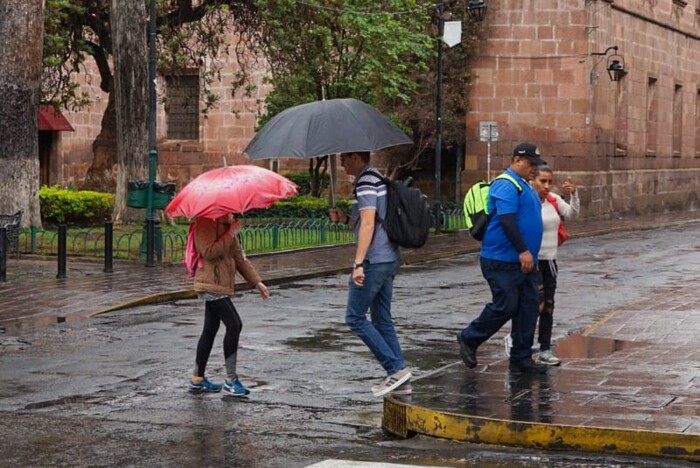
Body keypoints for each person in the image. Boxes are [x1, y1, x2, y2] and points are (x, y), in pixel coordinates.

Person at [457, 142, 548, 374]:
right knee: (506, 305)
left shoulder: (525, 186)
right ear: (517, 160)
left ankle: (521, 356)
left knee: (528, 308)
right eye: (530, 164)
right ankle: (469, 337)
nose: (534, 169)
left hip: (525, 262)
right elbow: (507, 220)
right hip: (501, 259)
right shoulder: (505, 184)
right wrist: (523, 250)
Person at [329, 151, 411, 397]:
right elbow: (371, 219)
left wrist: (358, 263)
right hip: (389, 257)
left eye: (344, 158)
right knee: (381, 318)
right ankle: (401, 378)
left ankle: (395, 367)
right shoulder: (377, 177)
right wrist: (345, 219)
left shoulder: (365, 182)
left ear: (356, 157)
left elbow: (368, 223)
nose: (341, 163)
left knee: (354, 318)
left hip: (374, 260)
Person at [188, 213, 270, 396]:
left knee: (210, 328)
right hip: (210, 283)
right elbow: (207, 251)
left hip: (221, 285)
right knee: (234, 324)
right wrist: (230, 234)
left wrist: (257, 282)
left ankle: (197, 379)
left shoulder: (227, 225)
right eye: (229, 210)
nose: (232, 213)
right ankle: (230, 380)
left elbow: (239, 258)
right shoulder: (205, 222)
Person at [530, 165, 579, 365]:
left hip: (549, 261)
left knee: (548, 306)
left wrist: (574, 194)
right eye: (543, 181)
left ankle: (545, 349)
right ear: (532, 180)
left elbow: (572, 214)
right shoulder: (528, 201)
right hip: (531, 261)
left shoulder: (553, 200)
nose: (547, 186)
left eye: (550, 182)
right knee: (534, 305)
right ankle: (519, 342)